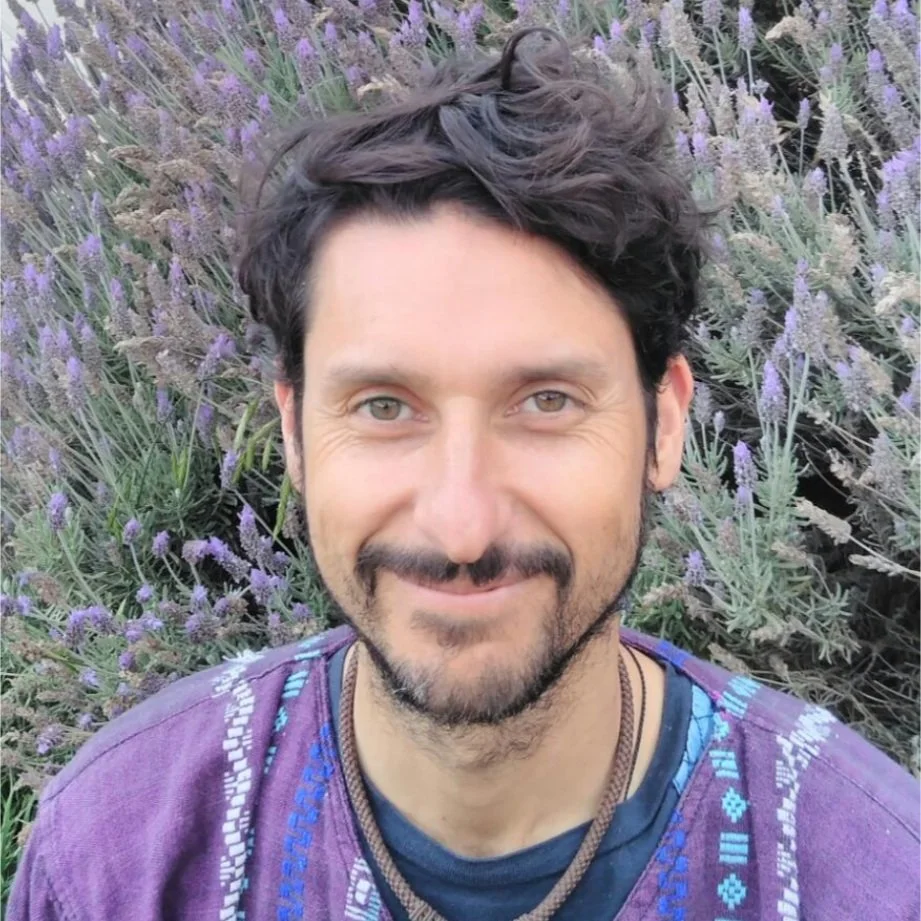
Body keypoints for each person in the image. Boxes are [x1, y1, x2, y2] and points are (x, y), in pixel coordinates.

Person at [9, 27, 919, 921]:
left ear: (664, 425)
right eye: (383, 407)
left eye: (546, 401)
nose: (461, 525)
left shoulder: (873, 876)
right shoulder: (112, 859)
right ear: (294, 432)